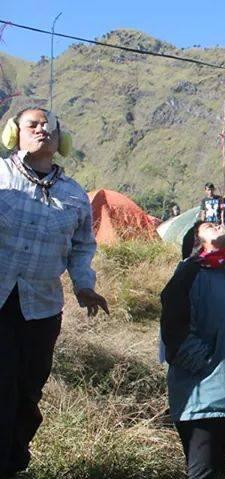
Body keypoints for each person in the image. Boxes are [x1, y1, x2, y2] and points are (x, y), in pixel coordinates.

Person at [0, 107, 109, 478]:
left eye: (49, 126)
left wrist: (84, 285)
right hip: (1, 300)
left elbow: (81, 247)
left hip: (42, 308)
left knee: (29, 391)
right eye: (33, 125)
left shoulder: (74, 194)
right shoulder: (0, 176)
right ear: (15, 133)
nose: (42, 130)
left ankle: (14, 462)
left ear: (61, 139)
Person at [160, 223, 225, 479]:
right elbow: (174, 332)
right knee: (204, 473)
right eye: (209, 225)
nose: (218, 225)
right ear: (196, 242)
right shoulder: (189, 274)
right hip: (202, 398)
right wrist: (206, 363)